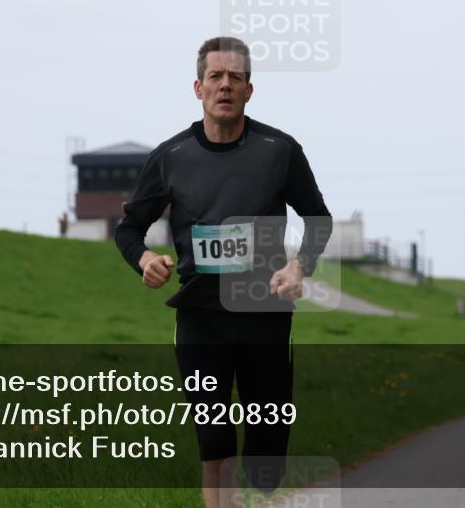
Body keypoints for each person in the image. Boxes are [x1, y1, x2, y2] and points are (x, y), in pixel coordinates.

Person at [114, 36, 332, 508]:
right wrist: (145, 260)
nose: (225, 86)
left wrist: (300, 267)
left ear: (250, 90)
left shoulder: (280, 150)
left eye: (236, 77)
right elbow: (129, 228)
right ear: (198, 88)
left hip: (265, 314)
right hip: (200, 316)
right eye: (216, 77)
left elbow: (318, 217)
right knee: (213, 436)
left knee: (266, 457)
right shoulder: (171, 157)